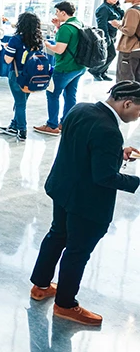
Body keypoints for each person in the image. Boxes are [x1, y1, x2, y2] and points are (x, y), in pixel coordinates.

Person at [28, 80, 140, 326]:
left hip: (63, 188)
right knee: (78, 251)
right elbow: (105, 177)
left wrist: (115, 154)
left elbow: (82, 147)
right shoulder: (110, 131)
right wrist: (137, 181)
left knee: (57, 235)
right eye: (139, 111)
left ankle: (40, 286)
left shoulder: (80, 108)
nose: (138, 115)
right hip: (87, 203)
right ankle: (66, 304)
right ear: (127, 103)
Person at [34, 1, 87, 136]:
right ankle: (66, 123)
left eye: (57, 12)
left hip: (65, 67)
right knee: (70, 95)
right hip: (79, 67)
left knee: (52, 93)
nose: (56, 15)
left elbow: (59, 49)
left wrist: (46, 44)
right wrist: (58, 26)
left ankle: (52, 125)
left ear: (63, 12)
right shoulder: (78, 23)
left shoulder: (66, 28)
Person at [0, 12, 44, 142]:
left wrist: (7, 49)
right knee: (22, 101)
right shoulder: (39, 39)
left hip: (17, 75)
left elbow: (8, 60)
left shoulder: (16, 39)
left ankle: (22, 130)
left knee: (19, 103)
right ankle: (14, 125)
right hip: (32, 76)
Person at [91, 0, 124, 82]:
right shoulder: (103, 8)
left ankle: (103, 72)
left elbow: (123, 16)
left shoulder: (112, 7)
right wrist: (106, 37)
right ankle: (95, 71)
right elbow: (102, 24)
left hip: (113, 34)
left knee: (108, 54)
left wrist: (118, 7)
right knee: (111, 54)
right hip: (107, 34)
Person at [113, 0, 140, 82]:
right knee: (136, 80)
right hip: (137, 50)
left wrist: (118, 25)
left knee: (125, 79)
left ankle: (124, 97)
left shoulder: (133, 11)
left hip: (130, 49)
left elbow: (129, 31)